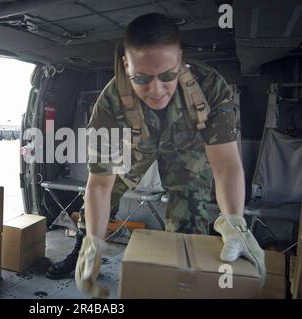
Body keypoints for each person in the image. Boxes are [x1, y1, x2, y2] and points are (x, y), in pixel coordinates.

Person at [61, 13, 264, 298]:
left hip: (187, 151)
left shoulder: (210, 88)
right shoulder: (110, 103)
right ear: (126, 66)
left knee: (191, 218)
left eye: (167, 76)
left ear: (179, 59)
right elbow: (100, 184)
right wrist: (93, 242)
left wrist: (234, 221)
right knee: (94, 205)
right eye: (142, 78)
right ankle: (81, 250)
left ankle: (179, 280)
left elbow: (226, 166)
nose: (156, 91)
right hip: (134, 150)